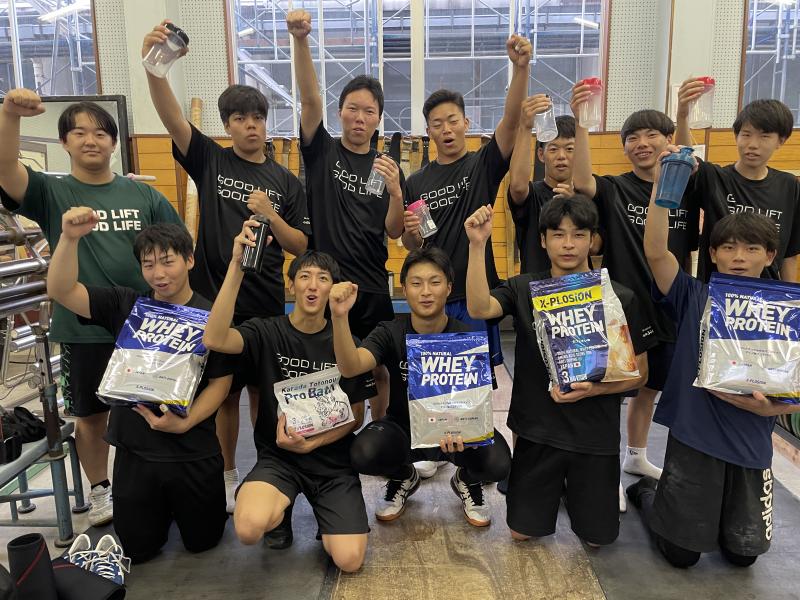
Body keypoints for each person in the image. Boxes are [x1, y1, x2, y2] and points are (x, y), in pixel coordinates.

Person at [142, 21, 311, 514]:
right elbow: (172, 118)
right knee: (221, 391)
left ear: (266, 122)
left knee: (262, 391)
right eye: (239, 118)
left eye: (257, 117)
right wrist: (154, 69)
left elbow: (301, 245)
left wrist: (271, 213)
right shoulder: (211, 161)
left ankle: (265, 466)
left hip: (263, 300)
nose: (250, 125)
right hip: (212, 297)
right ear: (228, 124)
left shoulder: (285, 181)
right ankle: (226, 472)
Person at [0, 89, 183, 526]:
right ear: (64, 142)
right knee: (91, 416)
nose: (91, 140)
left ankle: (160, 484)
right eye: (79, 132)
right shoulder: (51, 191)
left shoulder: (144, 196)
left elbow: (178, 250)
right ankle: (101, 491)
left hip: (143, 327)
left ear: (114, 143)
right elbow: (6, 169)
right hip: (82, 327)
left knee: (154, 412)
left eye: (101, 133)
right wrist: (10, 116)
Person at [627, 146, 800, 568]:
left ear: (770, 256)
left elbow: (794, 385)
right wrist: (661, 190)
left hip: (751, 441)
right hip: (695, 436)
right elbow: (656, 252)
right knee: (681, 554)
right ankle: (647, 493)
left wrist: (776, 407)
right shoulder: (694, 295)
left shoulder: (788, 311)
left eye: (751, 249)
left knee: (743, 556)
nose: (739, 257)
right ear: (713, 253)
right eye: (728, 248)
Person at [465, 196, 653, 546]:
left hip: (595, 437)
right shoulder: (524, 288)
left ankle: (609, 494)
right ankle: (553, 493)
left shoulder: (618, 297)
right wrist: (477, 245)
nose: (568, 244)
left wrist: (595, 390)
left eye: (578, 234)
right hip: (537, 433)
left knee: (598, 540)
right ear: (543, 240)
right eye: (558, 234)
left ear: (592, 240)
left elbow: (639, 375)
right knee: (521, 533)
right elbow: (478, 308)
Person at [47, 210, 231, 563]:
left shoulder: (213, 315)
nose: (159, 273)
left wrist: (186, 423)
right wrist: (69, 238)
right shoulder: (126, 304)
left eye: (168, 261)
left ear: (189, 260)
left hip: (193, 451)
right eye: (148, 265)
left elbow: (221, 384)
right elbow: (61, 290)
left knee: (203, 542)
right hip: (136, 454)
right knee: (138, 549)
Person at [203, 221, 373, 571]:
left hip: (332, 464)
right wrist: (236, 266)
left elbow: (356, 414)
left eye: (323, 278)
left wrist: (314, 443)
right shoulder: (266, 331)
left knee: (349, 560)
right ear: (291, 284)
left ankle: (329, 518)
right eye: (305, 276)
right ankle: (279, 511)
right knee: (248, 528)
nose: (313, 285)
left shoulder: (346, 343)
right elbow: (215, 338)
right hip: (279, 458)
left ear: (334, 289)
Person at [399, 34, 530, 478]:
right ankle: (433, 447)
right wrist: (410, 236)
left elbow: (511, 121)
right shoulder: (417, 182)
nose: (447, 129)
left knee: (474, 382)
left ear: (466, 122)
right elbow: (414, 247)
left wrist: (520, 69)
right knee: (433, 379)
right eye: (437, 123)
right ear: (429, 131)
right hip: (433, 297)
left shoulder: (482, 165)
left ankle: (469, 469)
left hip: (474, 296)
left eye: (453, 120)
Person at [571, 83, 701, 499]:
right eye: (632, 137)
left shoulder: (685, 191)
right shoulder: (616, 188)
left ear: (667, 141)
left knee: (651, 388)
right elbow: (582, 180)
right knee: (613, 391)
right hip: (622, 307)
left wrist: (684, 115)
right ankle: (605, 469)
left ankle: (636, 455)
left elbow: (690, 160)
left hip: (670, 306)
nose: (641, 143)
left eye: (651, 135)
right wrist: (583, 122)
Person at [330, 247, 511, 526]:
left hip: (456, 429)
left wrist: (465, 429)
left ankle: (467, 480)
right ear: (404, 289)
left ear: (448, 288)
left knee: (499, 462)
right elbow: (351, 366)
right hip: (404, 428)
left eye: (434, 282)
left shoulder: (467, 337)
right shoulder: (390, 331)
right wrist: (339, 317)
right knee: (363, 452)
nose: (426, 291)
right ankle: (403, 476)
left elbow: (480, 402)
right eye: (416, 283)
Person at [287, 9, 404, 425]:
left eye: (369, 111)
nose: (359, 118)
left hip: (372, 282)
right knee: (333, 365)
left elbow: (394, 230)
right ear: (340, 112)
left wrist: (396, 191)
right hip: (329, 283)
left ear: (378, 119)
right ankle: (338, 432)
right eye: (353, 109)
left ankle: (380, 431)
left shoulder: (387, 166)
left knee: (378, 366)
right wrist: (301, 40)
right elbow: (309, 100)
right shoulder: (322, 152)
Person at [674, 83, 800, 283]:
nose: (753, 144)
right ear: (736, 136)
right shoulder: (714, 177)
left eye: (764, 136)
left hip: (765, 295)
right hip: (716, 292)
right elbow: (684, 160)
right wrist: (682, 116)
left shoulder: (789, 186)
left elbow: (790, 255)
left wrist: (790, 298)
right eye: (746, 134)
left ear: (781, 141)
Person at [508, 101, 581, 273]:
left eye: (570, 149)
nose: (561, 156)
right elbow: (517, 186)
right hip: (538, 285)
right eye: (553, 149)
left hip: (577, 285)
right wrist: (525, 127)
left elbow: (596, 245)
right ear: (541, 154)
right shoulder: (532, 195)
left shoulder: (588, 193)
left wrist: (577, 208)